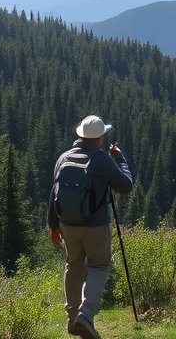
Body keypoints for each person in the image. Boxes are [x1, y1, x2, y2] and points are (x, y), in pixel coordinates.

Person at [47, 115, 134, 339]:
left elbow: (54, 193)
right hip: (95, 225)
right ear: (100, 138)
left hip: (67, 224)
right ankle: (85, 315)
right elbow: (125, 187)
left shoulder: (64, 157)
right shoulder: (102, 159)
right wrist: (120, 159)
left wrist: (53, 225)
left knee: (73, 266)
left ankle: (72, 318)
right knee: (99, 266)